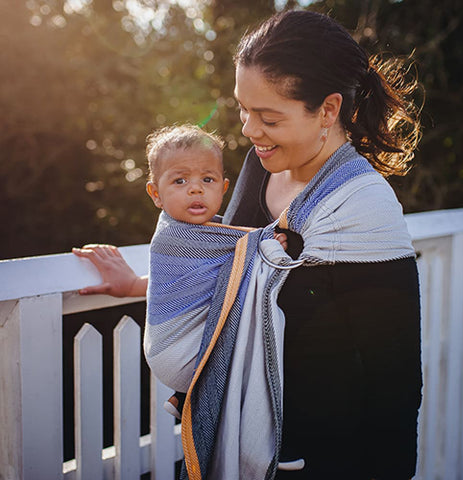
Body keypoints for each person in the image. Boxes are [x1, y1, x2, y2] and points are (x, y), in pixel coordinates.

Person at [73, 9, 422, 480]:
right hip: (230, 438)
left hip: (327, 458)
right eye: (243, 108)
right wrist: (137, 283)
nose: (248, 130)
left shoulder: (362, 208)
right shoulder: (262, 165)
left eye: (269, 117)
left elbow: (395, 381)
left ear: (328, 109)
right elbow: (232, 275)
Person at [142, 124, 287, 419]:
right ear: (156, 194)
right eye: (180, 180)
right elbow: (249, 242)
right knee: (268, 344)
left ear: (223, 188)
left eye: (207, 179)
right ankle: (277, 427)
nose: (195, 188)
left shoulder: (210, 229)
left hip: (176, 353)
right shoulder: (173, 237)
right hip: (179, 350)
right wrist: (271, 237)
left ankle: (185, 397)